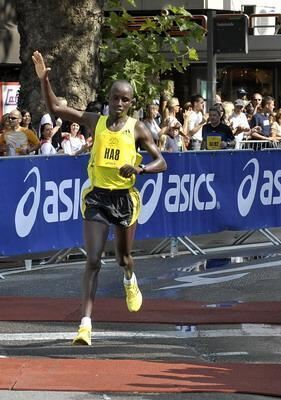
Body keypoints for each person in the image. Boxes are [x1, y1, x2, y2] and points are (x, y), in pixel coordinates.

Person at [32, 50, 167, 346]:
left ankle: (130, 279)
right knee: (92, 260)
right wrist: (45, 80)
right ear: (108, 98)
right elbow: (55, 107)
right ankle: (85, 326)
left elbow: (162, 163)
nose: (119, 103)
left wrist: (140, 167)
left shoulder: (139, 128)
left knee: (123, 257)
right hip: (96, 199)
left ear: (131, 103)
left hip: (124, 200)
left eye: (125, 99)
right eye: (115, 98)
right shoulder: (96, 121)